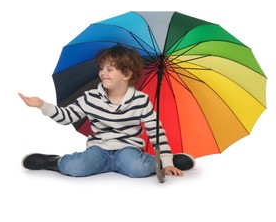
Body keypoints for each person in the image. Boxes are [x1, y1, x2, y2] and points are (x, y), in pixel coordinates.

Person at [19, 45, 195, 178]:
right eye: (102, 68)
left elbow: (157, 134)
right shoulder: (91, 97)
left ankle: (168, 160)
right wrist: (42, 105)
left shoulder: (141, 101)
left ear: (126, 74)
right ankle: (53, 161)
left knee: (138, 169)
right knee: (74, 168)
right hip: (99, 150)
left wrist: (165, 161)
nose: (103, 73)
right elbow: (67, 117)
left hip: (128, 150)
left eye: (109, 69)